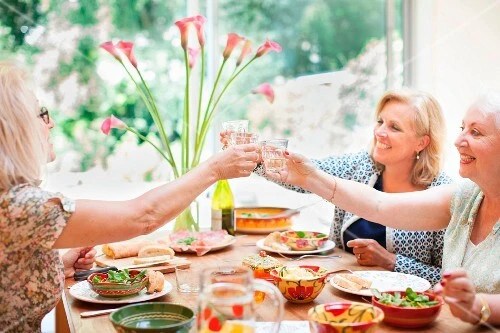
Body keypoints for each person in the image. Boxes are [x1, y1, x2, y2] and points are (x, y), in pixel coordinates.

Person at [0, 61, 260, 332]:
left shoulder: (14, 201)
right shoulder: (21, 207)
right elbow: (143, 216)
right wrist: (215, 169)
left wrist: (56, 264)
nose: (51, 123)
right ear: (14, 128)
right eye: (42, 113)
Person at [267, 92, 500, 325]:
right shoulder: (465, 196)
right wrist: (303, 175)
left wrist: (478, 306)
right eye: (462, 128)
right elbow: (379, 205)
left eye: (476, 132)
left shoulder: (444, 187)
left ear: (422, 142)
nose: (458, 140)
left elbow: (443, 281)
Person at [223, 89, 452, 285]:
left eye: (395, 127)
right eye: (380, 121)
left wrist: (391, 261)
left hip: (405, 308)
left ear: (421, 142)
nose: (380, 132)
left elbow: (449, 279)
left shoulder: (442, 193)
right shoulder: (360, 166)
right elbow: (307, 176)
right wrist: (250, 155)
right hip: (341, 289)